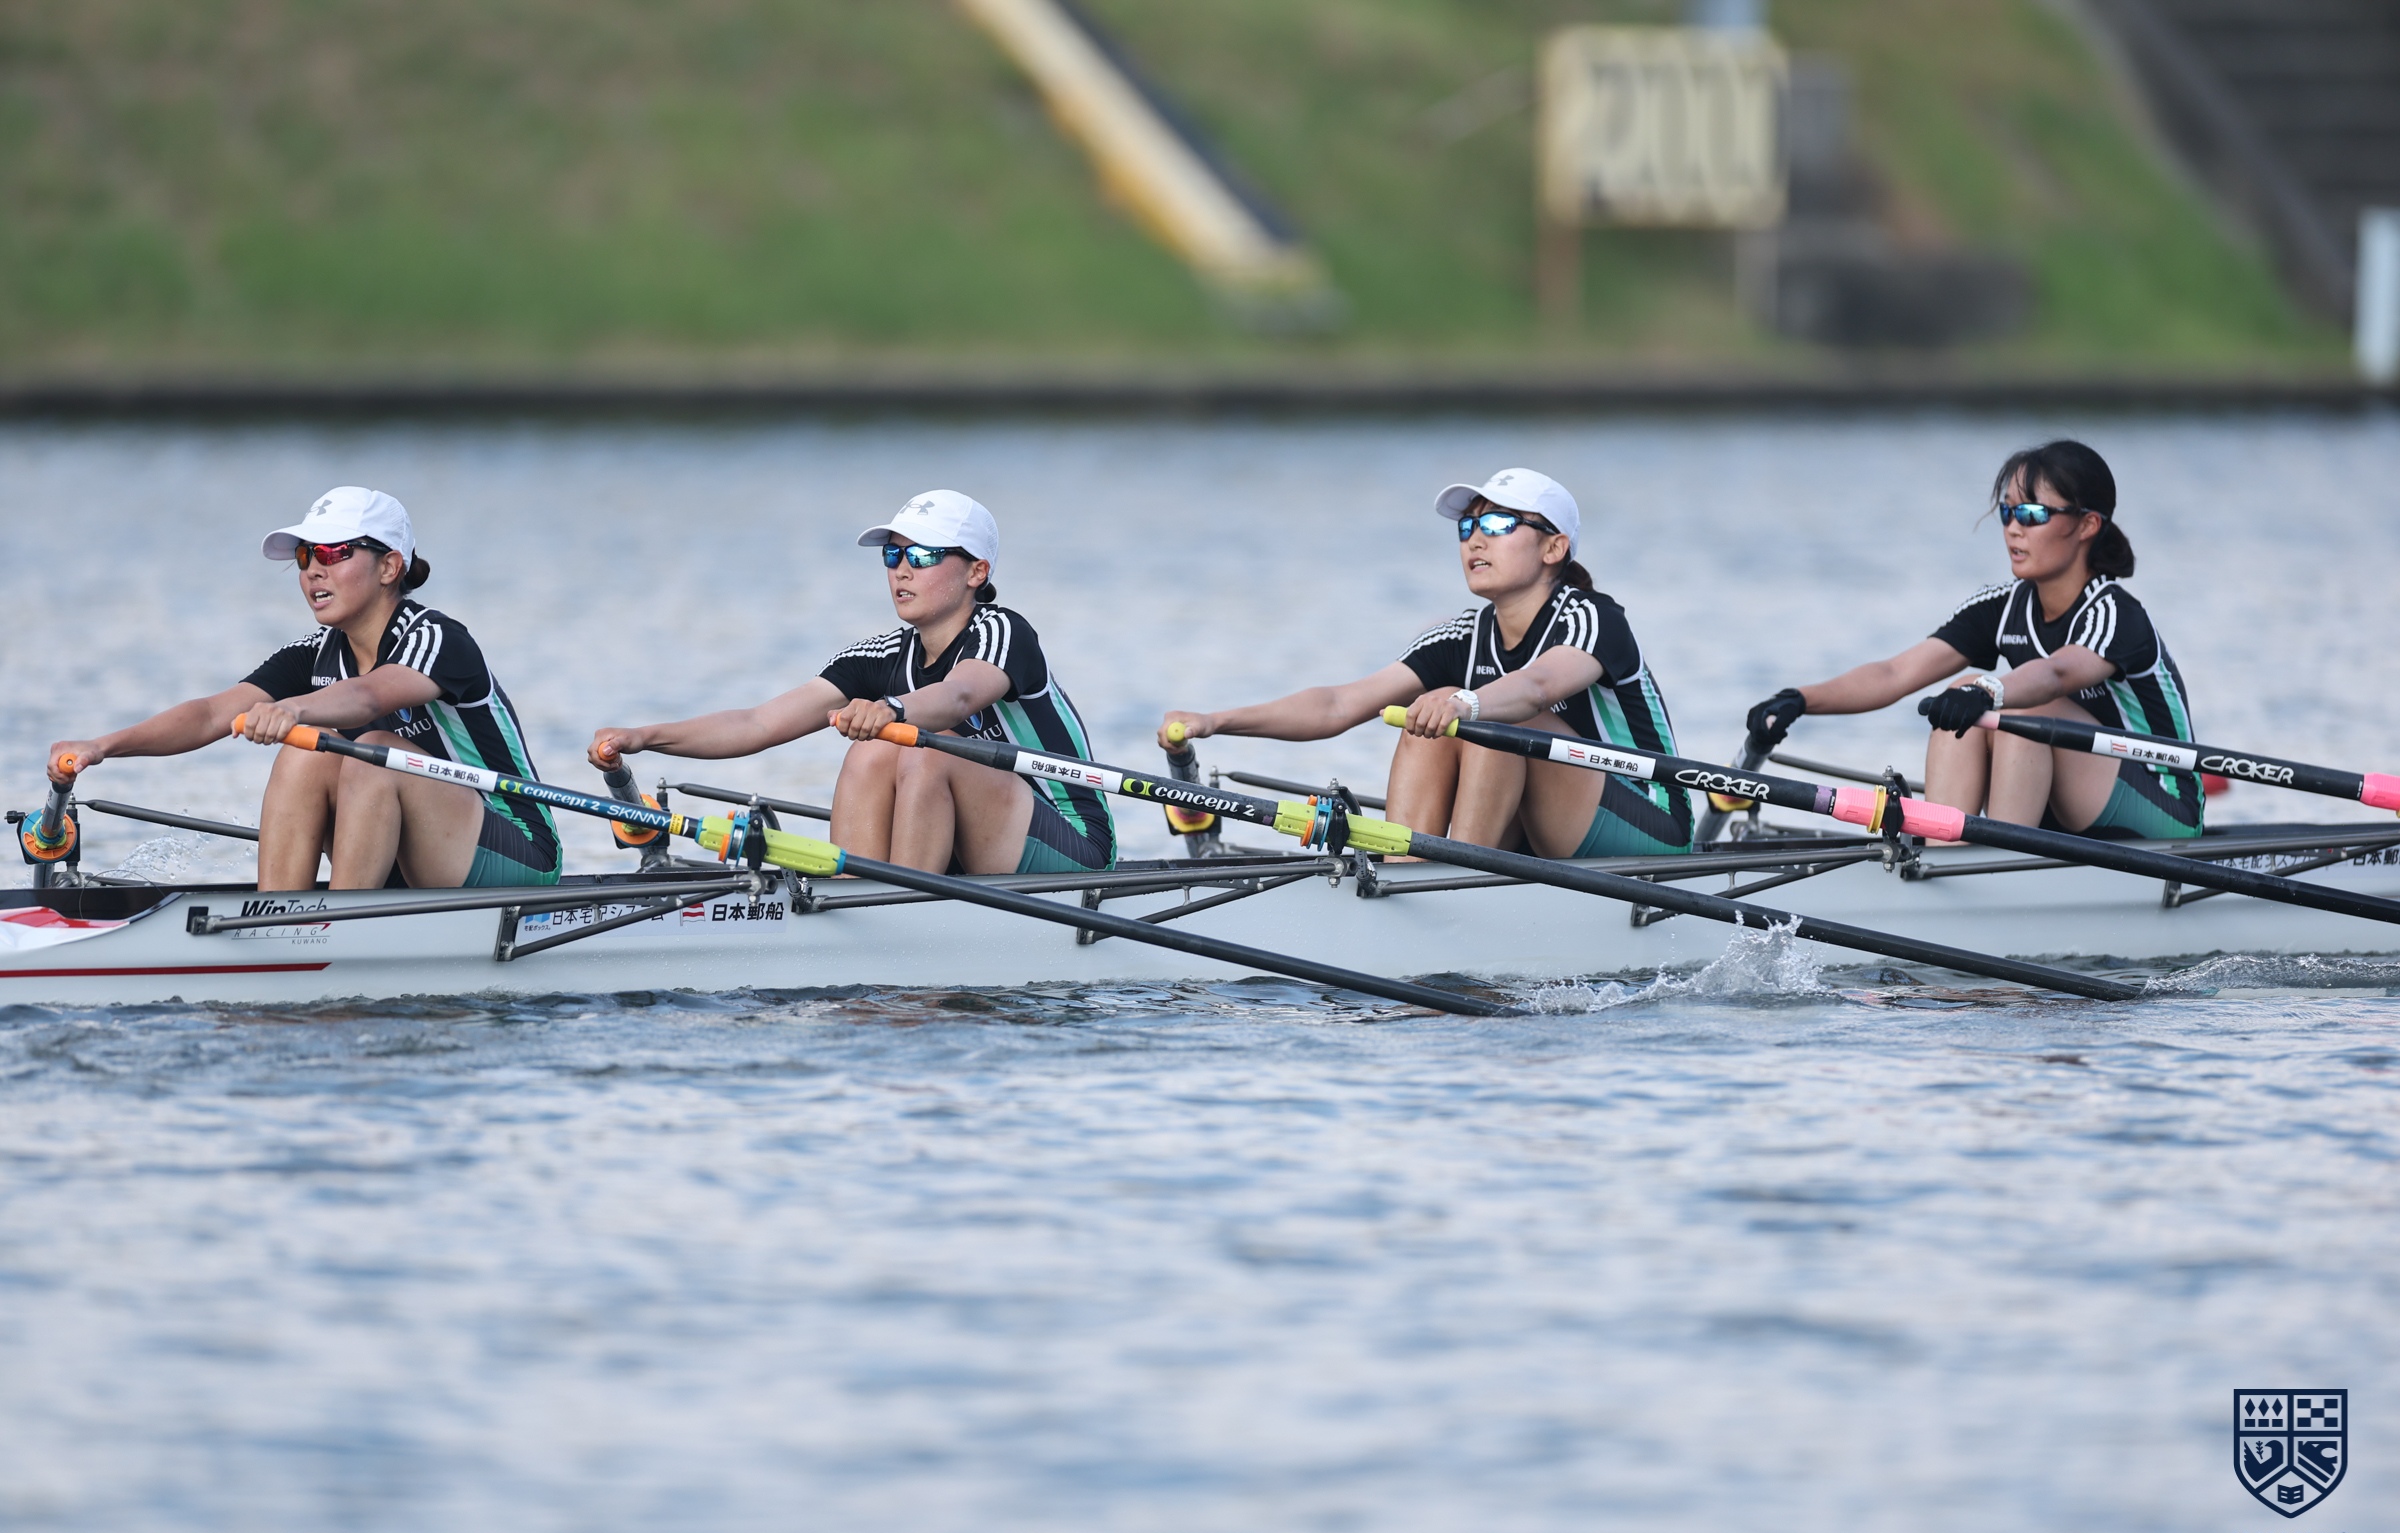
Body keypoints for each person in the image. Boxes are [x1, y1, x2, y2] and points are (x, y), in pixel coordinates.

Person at [45, 487, 561, 891]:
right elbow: (209, 715)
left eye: (334, 552)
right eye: (305, 555)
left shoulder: (438, 638)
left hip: (515, 848)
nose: (314, 569)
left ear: (389, 566)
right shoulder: (313, 653)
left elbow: (368, 696)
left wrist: (292, 709)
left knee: (373, 753)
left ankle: (338, 934)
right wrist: (101, 746)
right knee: (305, 754)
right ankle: (282, 921)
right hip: (411, 849)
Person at [1157, 468, 1691, 859]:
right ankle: (1409, 876)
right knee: (1426, 719)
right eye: (1466, 527)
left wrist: (1465, 702)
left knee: (1495, 716)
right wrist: (1216, 721)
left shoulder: (1593, 616)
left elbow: (1537, 686)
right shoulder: (1462, 635)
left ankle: (1457, 881)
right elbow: (1339, 704)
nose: (1475, 538)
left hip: (1650, 823)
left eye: (1499, 523)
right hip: (1546, 822)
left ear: (1554, 548)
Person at [589, 490, 1115, 876]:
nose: (901, 570)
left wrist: (893, 710)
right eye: (893, 555)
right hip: (971, 836)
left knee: (929, 750)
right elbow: (757, 723)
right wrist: (645, 736)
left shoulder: (1003, 631)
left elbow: (959, 695)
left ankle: (898, 916)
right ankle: (857, 899)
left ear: (976, 572)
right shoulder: (878, 657)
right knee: (871, 752)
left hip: (1073, 844)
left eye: (923, 556)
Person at [1742, 439, 2201, 839]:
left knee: (2014, 706)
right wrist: (1800, 699)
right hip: (2068, 799)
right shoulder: (2000, 607)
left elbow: (2057, 673)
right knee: (1963, 699)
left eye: (2033, 513)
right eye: (2007, 511)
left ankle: (2000, 865)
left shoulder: (2114, 613)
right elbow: (1895, 673)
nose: (2014, 528)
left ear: (2087, 525)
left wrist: (1988, 690)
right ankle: (1947, 858)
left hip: (2163, 804)